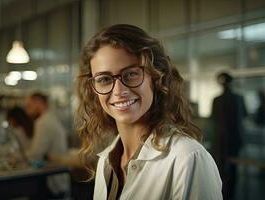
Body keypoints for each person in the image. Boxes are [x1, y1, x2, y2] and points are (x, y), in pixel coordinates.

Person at [76, 24, 222, 200]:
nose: (118, 91)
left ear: (156, 77)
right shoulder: (105, 161)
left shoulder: (188, 158)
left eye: (130, 74)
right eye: (104, 79)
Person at [24, 92, 70, 197]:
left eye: (29, 106)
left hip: (52, 181)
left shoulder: (43, 122)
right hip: (60, 178)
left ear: (38, 102)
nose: (27, 111)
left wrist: (17, 157)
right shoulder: (52, 118)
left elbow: (36, 153)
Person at [212, 72, 246, 200]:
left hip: (222, 140)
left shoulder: (217, 100)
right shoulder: (238, 98)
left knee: (223, 169)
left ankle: (224, 195)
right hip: (232, 139)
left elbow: (214, 121)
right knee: (232, 169)